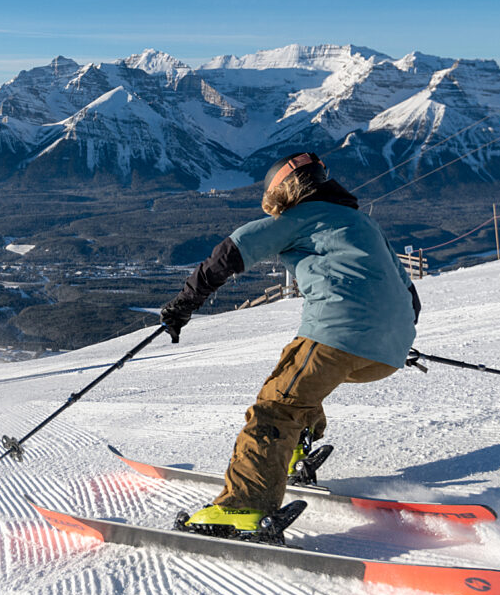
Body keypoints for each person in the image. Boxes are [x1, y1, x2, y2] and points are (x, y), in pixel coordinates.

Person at [160, 151, 420, 542]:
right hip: (389, 351)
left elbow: (230, 252)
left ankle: (243, 506)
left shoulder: (299, 218)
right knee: (296, 373)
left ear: (282, 191)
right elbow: (410, 295)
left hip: (339, 333)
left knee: (275, 408)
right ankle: (295, 448)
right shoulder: (363, 223)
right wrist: (389, 336)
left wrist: (182, 305)